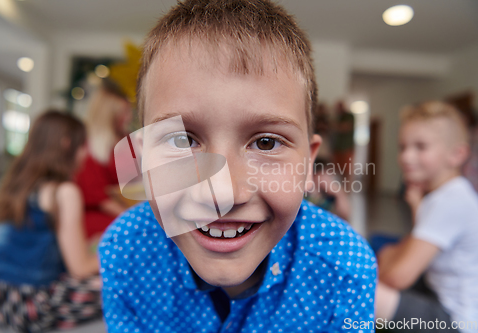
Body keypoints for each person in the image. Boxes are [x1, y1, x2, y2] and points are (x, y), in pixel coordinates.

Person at [98, 1, 377, 332]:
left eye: (266, 143)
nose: (223, 192)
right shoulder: (124, 250)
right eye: (182, 141)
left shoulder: (345, 267)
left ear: (307, 164)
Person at [0, 111, 102, 332]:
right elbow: (80, 269)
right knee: (124, 281)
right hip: (30, 305)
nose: (86, 154)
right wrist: (113, 249)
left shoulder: (11, 187)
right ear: (67, 145)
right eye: (83, 145)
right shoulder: (64, 191)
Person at [375, 101, 478, 333]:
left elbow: (397, 276)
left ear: (456, 154)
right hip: (437, 294)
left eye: (421, 147)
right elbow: (414, 244)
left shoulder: (450, 200)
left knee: (363, 291)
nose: (406, 157)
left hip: (458, 323)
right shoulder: (442, 195)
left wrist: (389, 258)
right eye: (403, 147)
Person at [75, 81, 132, 242]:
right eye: (124, 112)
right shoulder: (89, 147)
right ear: (109, 114)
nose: (129, 117)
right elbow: (98, 197)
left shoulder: (125, 139)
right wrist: (131, 216)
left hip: (124, 208)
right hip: (102, 216)